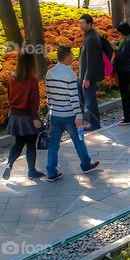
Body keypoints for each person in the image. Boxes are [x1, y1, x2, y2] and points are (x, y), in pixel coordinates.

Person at [44, 45, 100, 180]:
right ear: (68, 57)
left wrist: (49, 110)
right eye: (71, 55)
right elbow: (74, 98)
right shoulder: (70, 74)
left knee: (53, 145)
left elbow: (48, 95)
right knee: (79, 140)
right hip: (69, 115)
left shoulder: (49, 73)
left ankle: (51, 171)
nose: (73, 58)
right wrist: (79, 115)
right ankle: (86, 164)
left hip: (54, 114)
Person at [3, 49, 44, 180]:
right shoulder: (32, 80)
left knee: (18, 143)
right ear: (31, 62)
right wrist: (35, 118)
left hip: (14, 116)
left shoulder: (12, 78)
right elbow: (34, 101)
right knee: (31, 144)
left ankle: (9, 164)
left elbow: (9, 96)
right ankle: (31, 171)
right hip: (27, 117)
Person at [77, 14, 104, 131]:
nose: (80, 26)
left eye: (82, 23)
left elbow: (92, 60)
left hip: (86, 76)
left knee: (89, 101)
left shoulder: (91, 38)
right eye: (80, 23)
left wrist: (87, 78)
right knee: (81, 99)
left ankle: (95, 123)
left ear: (89, 24)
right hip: (82, 75)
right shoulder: (89, 35)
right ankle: (79, 121)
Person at [113, 22, 130, 126]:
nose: (119, 35)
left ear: (124, 32)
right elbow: (121, 46)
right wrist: (116, 44)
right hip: (124, 70)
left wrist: (114, 48)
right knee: (127, 94)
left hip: (124, 71)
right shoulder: (126, 40)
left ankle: (128, 118)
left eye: (120, 33)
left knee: (125, 95)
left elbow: (121, 56)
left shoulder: (129, 42)